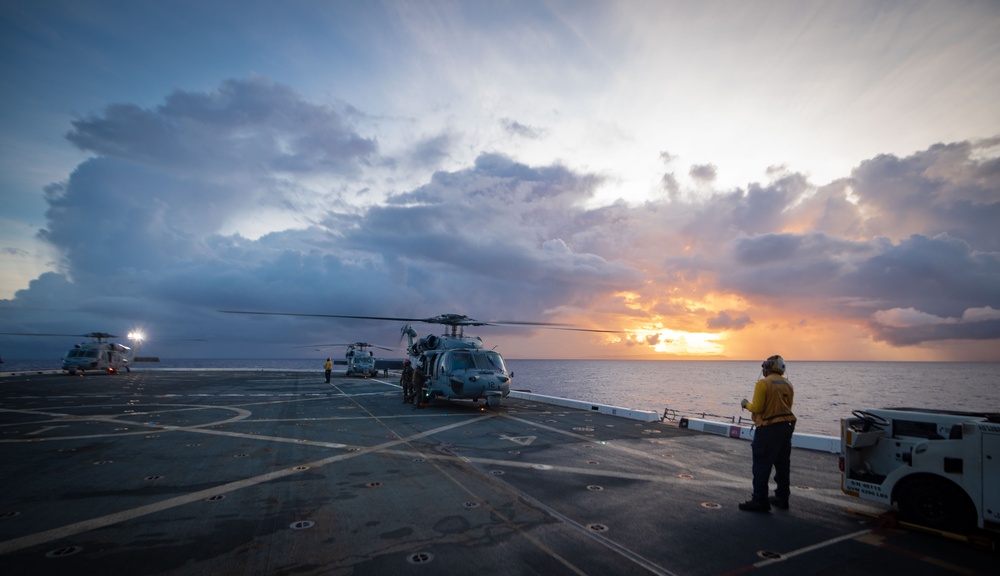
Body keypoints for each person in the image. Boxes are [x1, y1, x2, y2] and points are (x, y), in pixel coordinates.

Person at [738, 354, 796, 512]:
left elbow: (757, 408)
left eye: (764, 366)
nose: (763, 369)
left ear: (769, 366)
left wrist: (746, 404)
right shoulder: (788, 384)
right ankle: (782, 497)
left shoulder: (763, 384)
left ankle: (760, 500)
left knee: (762, 464)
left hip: (768, 428)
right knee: (782, 464)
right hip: (786, 427)